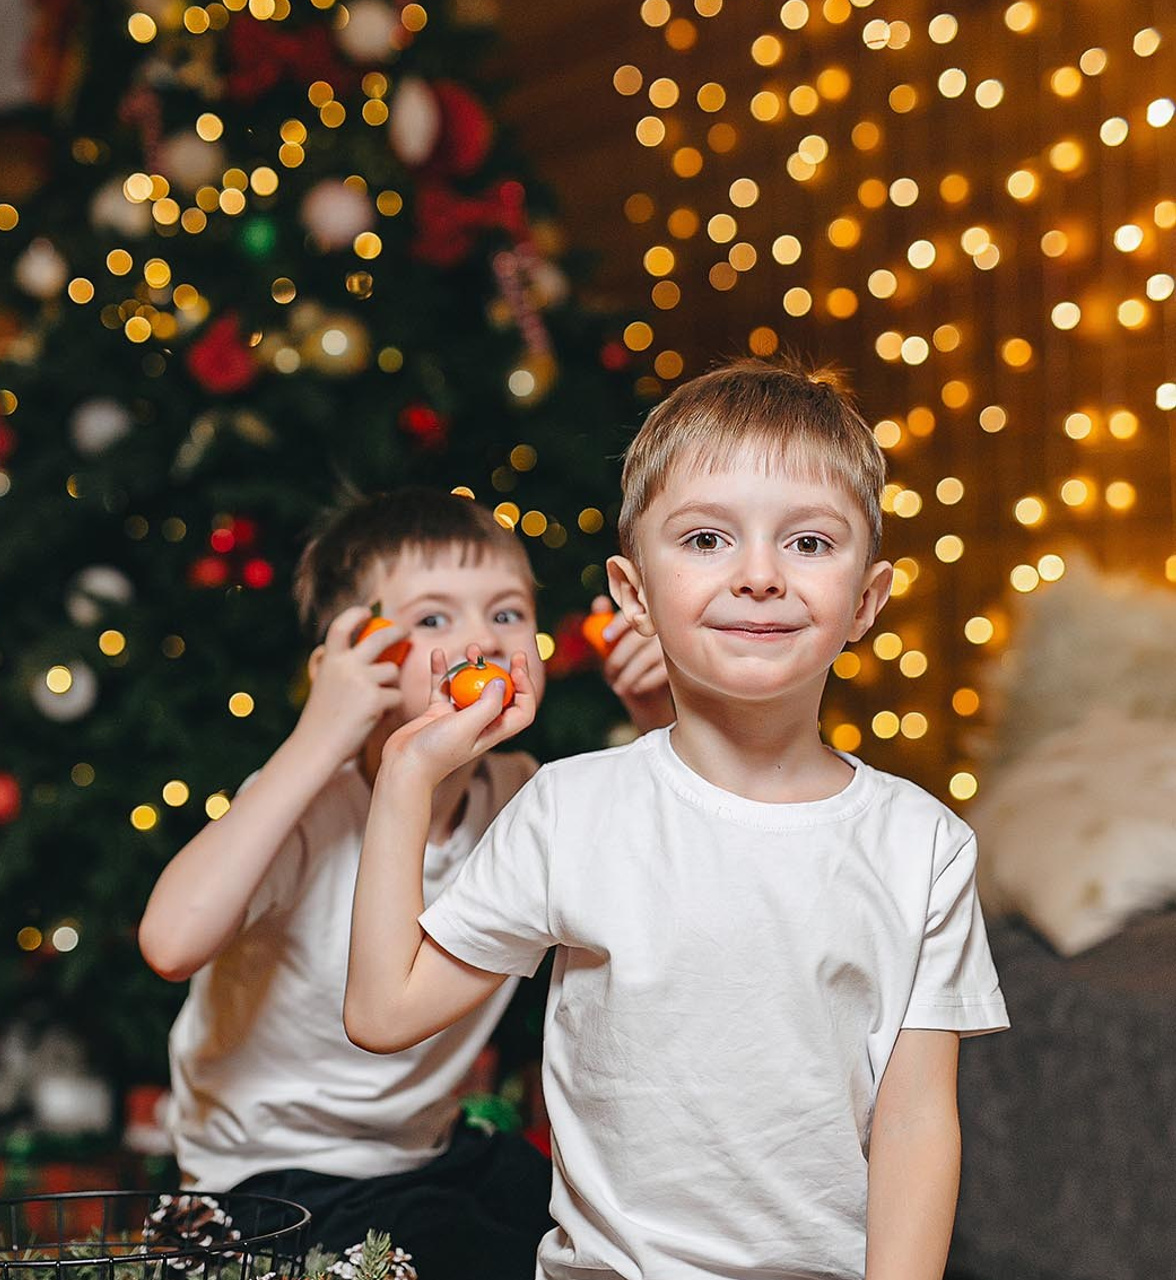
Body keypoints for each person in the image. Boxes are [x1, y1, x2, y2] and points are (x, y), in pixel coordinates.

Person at [345, 358, 1011, 1280]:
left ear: (866, 601)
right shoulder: (569, 811)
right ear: (632, 592)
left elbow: (915, 1120)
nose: (760, 576)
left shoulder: (923, 845)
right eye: (706, 539)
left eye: (809, 544)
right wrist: (405, 775)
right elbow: (383, 1011)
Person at [137, 485, 671, 1279]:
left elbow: (675, 871)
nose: (481, 643)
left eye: (507, 614)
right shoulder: (308, 807)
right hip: (263, 1187)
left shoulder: (525, 793)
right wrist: (319, 736)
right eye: (432, 619)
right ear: (355, 661)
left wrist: (661, 718)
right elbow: (171, 942)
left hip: (428, 1159)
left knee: (595, 1234)